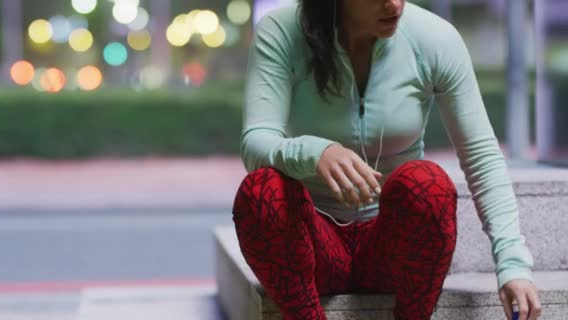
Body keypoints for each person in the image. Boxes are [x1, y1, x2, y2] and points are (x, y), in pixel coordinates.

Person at [231, 0, 542, 319]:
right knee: (260, 191)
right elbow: (256, 140)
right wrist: (315, 152)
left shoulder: (434, 38)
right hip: (314, 245)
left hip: (391, 249)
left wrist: (513, 263)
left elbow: (482, 156)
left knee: (428, 184)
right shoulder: (282, 30)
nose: (394, 4)